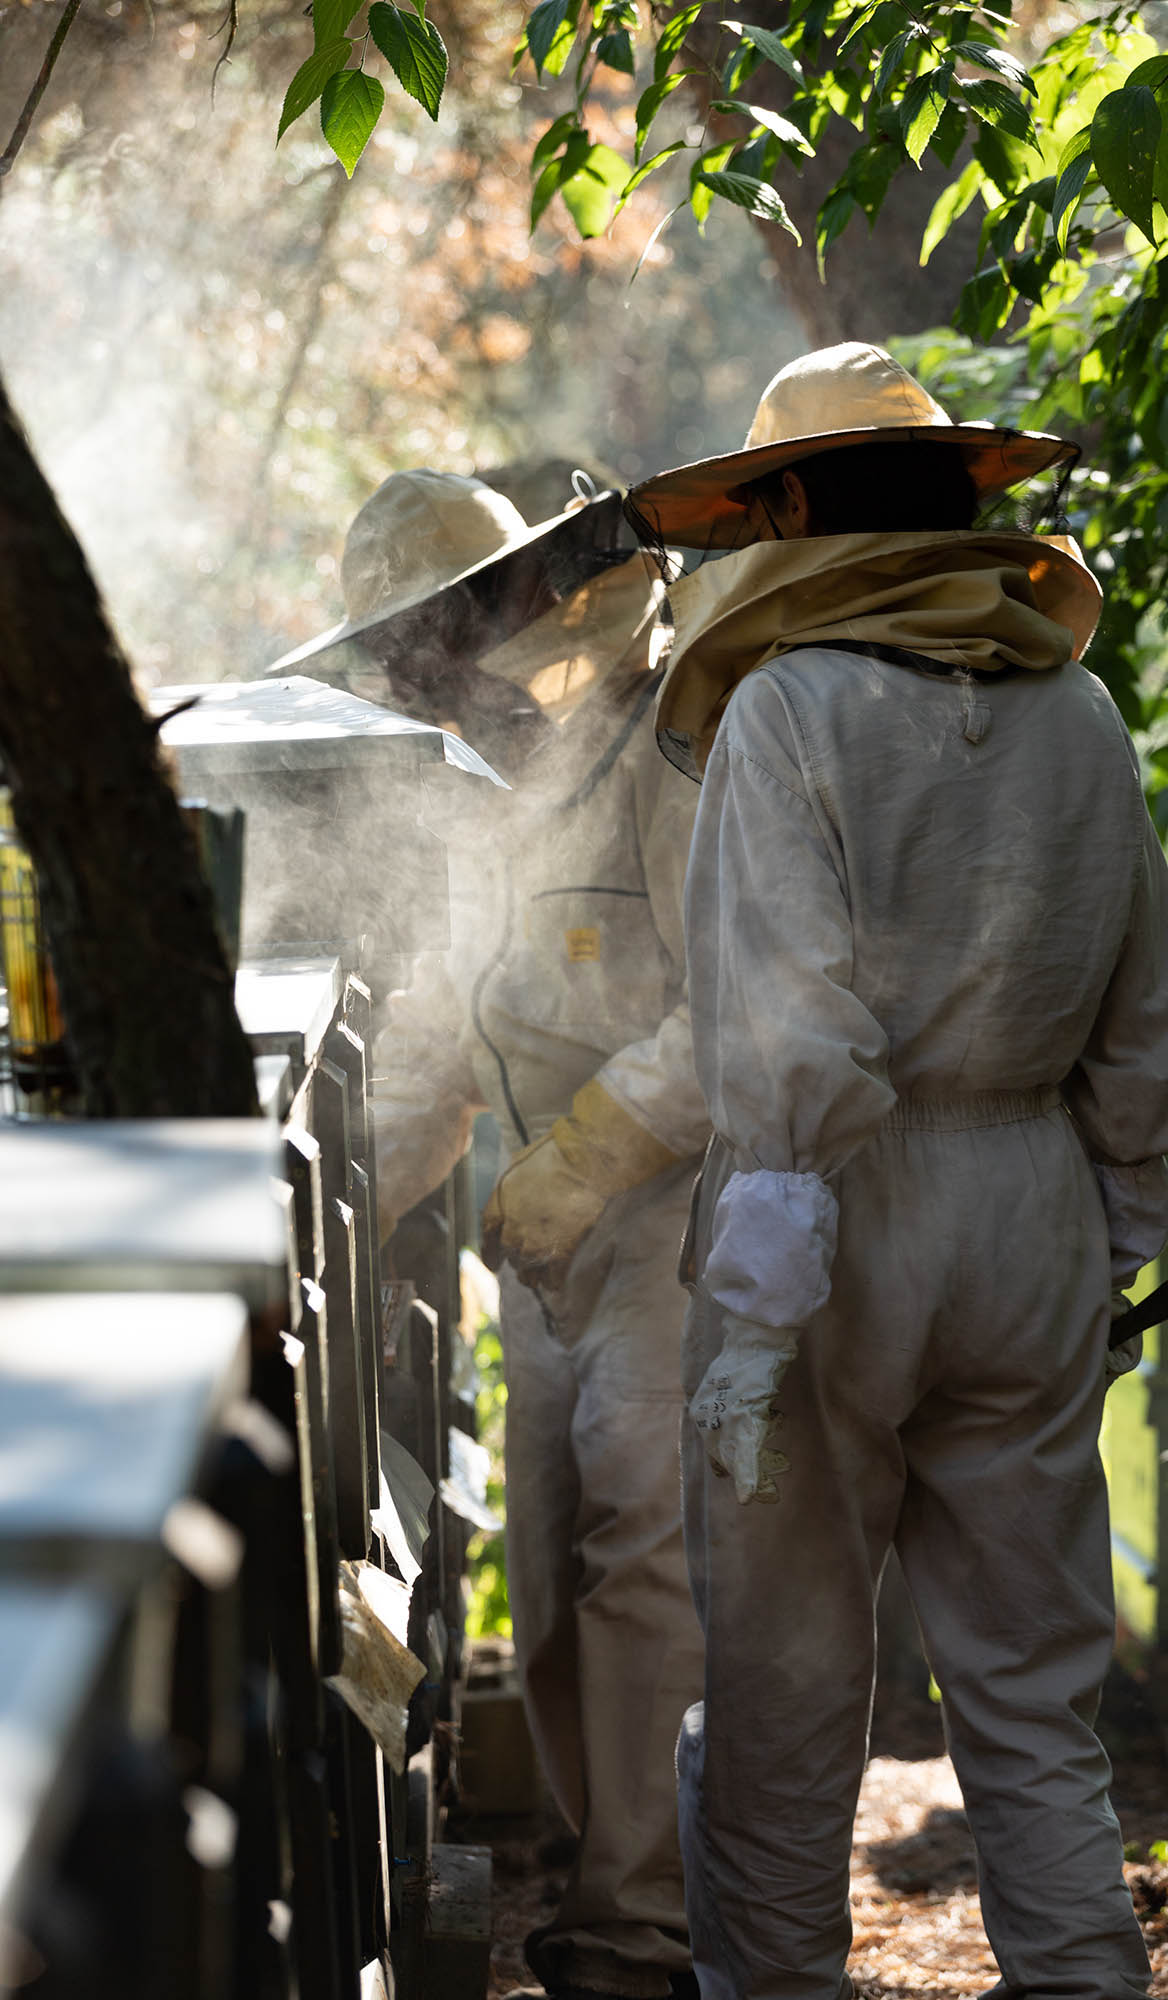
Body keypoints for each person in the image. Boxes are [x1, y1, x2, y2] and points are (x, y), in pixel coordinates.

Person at [626, 344, 1168, 2000]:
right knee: (1036, 1694)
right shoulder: (1080, 715)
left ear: (794, 509)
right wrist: (1116, 1235)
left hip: (829, 1226)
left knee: (785, 1689)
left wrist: (754, 1311)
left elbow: (783, 1036)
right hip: (1030, 1203)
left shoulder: (786, 712)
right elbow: (1148, 1020)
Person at [344, 469, 711, 2000]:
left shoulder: (665, 741)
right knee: (555, 1570)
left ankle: (649, 1924)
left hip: (673, 1210)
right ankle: (603, 1885)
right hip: (545, 1228)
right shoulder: (490, 783)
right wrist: (340, 1197)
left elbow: (739, 1002)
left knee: (649, 1552)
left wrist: (594, 1150)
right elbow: (446, 1035)